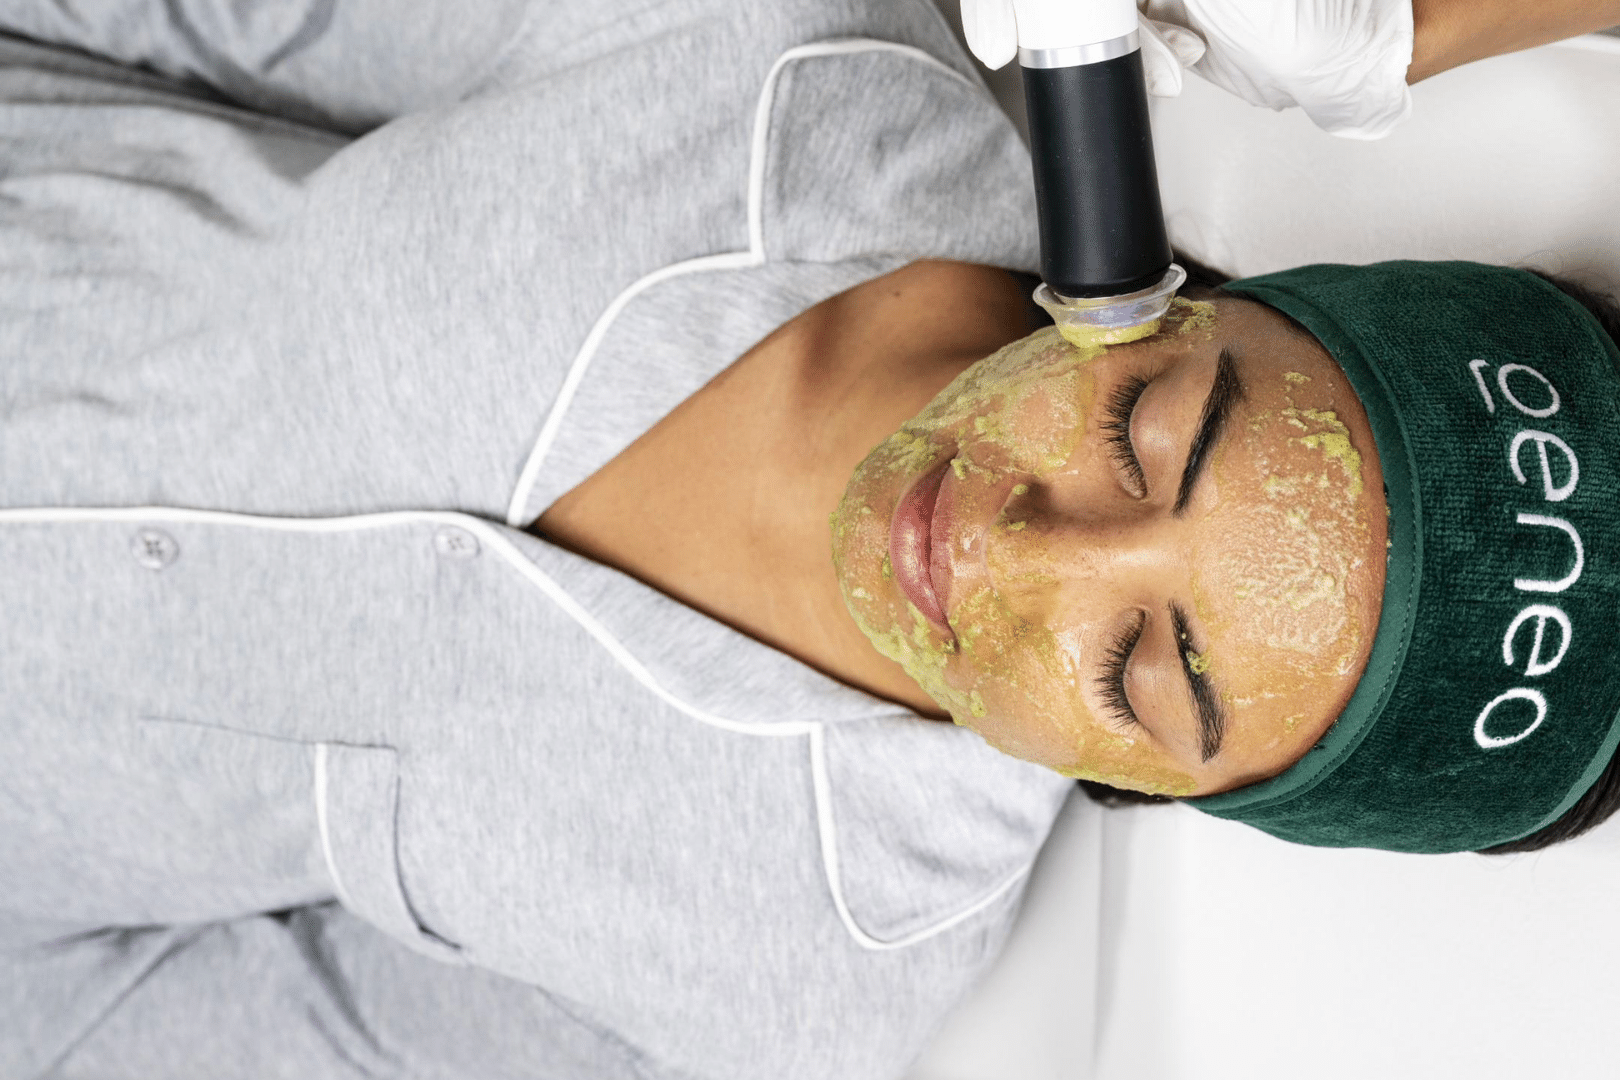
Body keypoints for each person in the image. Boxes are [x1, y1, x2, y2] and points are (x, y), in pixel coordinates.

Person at [2, 2, 1617, 1079]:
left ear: (1163, 791)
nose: (1016, 556)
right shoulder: (771, 42)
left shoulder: (794, 978)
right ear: (1186, 304)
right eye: (1149, 439)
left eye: (1139, 671)